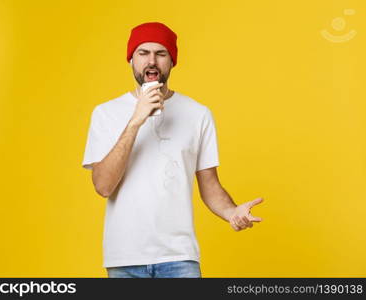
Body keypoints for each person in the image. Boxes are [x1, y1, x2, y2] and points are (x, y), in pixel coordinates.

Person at [82, 22, 264, 278]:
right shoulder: (105, 113)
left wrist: (232, 212)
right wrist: (137, 119)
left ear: (172, 61)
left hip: (180, 259)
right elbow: (103, 186)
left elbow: (210, 186)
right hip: (125, 258)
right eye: (143, 53)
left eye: (161, 53)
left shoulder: (198, 114)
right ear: (131, 59)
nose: (151, 61)